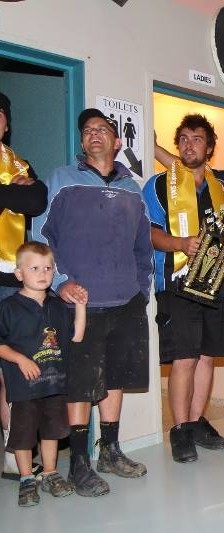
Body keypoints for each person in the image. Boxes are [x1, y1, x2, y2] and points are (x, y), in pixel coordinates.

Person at [31, 108, 153, 497]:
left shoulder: (133, 188)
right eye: (87, 131)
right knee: (82, 384)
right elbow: (40, 235)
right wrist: (60, 282)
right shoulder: (61, 179)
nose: (94, 134)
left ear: (117, 142)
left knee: (115, 377)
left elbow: (144, 246)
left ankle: (110, 452)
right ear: (83, 142)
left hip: (126, 301)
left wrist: (142, 289)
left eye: (102, 129)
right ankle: (80, 462)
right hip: (79, 304)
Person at [145, 115, 224, 463]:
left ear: (209, 147)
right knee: (184, 357)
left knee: (207, 355)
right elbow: (149, 233)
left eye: (197, 139)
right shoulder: (158, 185)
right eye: (183, 138)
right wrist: (181, 243)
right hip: (177, 281)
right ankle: (180, 428)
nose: (189, 144)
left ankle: (197, 422)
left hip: (214, 283)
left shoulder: (223, 189)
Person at [0, 242, 86, 506]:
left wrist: (81, 306)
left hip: (53, 385)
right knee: (24, 436)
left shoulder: (57, 306)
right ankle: (27, 479)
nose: (42, 273)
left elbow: (76, 336)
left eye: (48, 268)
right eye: (34, 268)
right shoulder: (8, 307)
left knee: (51, 432)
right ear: (19, 274)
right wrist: (20, 359)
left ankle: (50, 473)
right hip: (24, 388)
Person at [0, 91, 47, 481]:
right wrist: (13, 193)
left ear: (6, 123)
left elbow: (37, 199)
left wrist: (16, 194)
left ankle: (12, 451)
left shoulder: (20, 162)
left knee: (10, 367)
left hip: (9, 278)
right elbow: (22, 197)